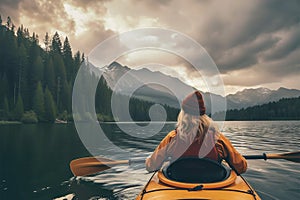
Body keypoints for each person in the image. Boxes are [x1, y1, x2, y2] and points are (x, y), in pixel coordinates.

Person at [145, 90, 247, 174]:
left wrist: (149, 160)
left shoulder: (172, 138)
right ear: (203, 115)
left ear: (183, 115)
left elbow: (151, 167)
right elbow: (241, 167)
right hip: (212, 184)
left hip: (179, 183)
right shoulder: (217, 138)